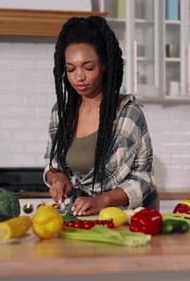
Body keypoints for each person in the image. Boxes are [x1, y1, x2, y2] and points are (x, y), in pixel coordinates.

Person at [43, 16, 157, 217]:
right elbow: (52, 166)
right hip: (75, 217)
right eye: (70, 69)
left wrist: (101, 201)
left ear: (104, 65)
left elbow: (144, 180)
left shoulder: (127, 114)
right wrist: (57, 179)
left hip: (118, 220)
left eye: (88, 67)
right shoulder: (61, 113)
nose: (79, 77)